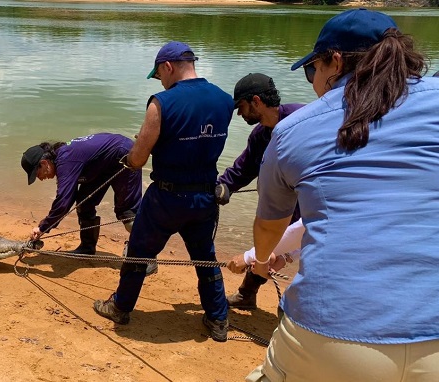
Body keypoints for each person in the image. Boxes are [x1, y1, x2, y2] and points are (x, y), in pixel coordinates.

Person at [247, 9, 439, 381]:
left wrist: (261, 260)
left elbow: (269, 229)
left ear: (334, 61)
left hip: (332, 336)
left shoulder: (291, 130)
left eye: (311, 71)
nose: (313, 83)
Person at [92, 41, 234, 342]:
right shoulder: (224, 100)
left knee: (139, 253)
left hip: (167, 198)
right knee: (205, 258)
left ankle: (120, 307)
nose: (161, 81)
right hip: (205, 196)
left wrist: (130, 154)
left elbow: (139, 159)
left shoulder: (161, 102)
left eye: (159, 74)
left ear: (168, 66)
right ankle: (218, 319)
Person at [215, 73, 304, 310]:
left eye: (241, 107)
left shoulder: (302, 119)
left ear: (256, 101)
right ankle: (247, 294)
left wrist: (246, 258)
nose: (239, 114)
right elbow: (244, 168)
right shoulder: (260, 135)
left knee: (304, 253)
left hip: (311, 201)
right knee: (269, 246)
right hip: (283, 206)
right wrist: (223, 186)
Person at [21, 133, 142, 255]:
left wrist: (43, 228)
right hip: (103, 165)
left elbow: (63, 202)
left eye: (37, 174)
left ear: (44, 163)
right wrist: (45, 225)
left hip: (124, 156)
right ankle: (87, 248)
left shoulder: (66, 160)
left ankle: (147, 258)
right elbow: (69, 196)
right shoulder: (62, 159)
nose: (40, 179)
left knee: (128, 213)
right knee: (85, 204)